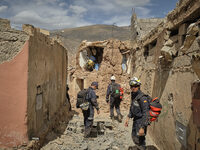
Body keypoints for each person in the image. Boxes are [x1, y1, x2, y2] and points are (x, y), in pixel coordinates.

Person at [125, 77, 149, 150]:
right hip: (135, 120)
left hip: (141, 121)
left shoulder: (142, 98)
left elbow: (146, 113)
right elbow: (132, 107)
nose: (133, 88)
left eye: (135, 86)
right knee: (134, 137)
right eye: (131, 86)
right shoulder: (134, 95)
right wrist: (128, 117)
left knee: (140, 140)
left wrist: (142, 127)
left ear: (138, 86)